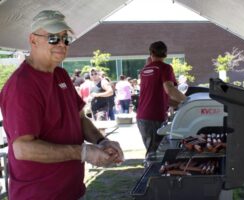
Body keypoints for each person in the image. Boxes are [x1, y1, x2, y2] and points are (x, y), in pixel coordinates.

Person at [0, 10, 123, 200]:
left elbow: (80, 119)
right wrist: (82, 152)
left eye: (65, 39)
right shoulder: (22, 86)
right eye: (53, 38)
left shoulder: (61, 75)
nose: (61, 44)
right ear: (33, 40)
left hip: (70, 190)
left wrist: (101, 141)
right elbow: (23, 149)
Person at [137, 41, 186, 162]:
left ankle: (152, 176)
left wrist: (180, 105)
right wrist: (188, 102)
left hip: (142, 116)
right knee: (154, 154)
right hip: (154, 116)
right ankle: (150, 178)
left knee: (152, 150)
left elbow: (162, 97)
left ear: (151, 53)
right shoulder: (165, 68)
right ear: (165, 53)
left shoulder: (144, 70)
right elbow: (169, 89)